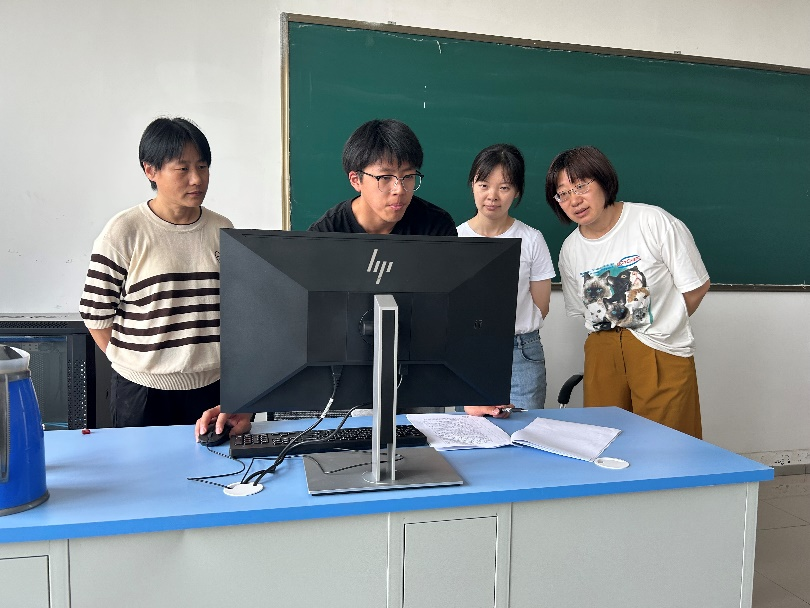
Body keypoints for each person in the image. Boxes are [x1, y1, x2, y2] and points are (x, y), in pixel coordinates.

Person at [196, 118, 456, 439]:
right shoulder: (326, 236)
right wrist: (247, 402)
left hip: (421, 371)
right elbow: (291, 326)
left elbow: (451, 313)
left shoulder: (436, 228)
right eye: (385, 177)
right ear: (356, 179)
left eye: (408, 176)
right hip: (354, 376)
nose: (399, 189)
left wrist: (471, 395)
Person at [545, 145, 710, 438]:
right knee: (605, 442)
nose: (574, 200)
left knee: (668, 445)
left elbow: (696, 286)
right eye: (563, 194)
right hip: (602, 351)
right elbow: (583, 311)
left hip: (659, 348)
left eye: (581, 186)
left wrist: (664, 325)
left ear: (603, 180)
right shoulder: (570, 249)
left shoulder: (653, 221)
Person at [79, 117, 234, 429]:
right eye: (183, 168)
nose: (197, 179)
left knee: (212, 461)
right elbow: (96, 314)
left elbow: (233, 309)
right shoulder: (124, 231)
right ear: (150, 170)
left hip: (212, 388)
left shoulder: (222, 229)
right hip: (141, 393)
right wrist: (134, 364)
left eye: (202, 167)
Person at [457, 144, 554, 418]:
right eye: (484, 185)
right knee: (471, 434)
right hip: (468, 351)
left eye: (504, 187)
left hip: (521, 351)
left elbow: (541, 305)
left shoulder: (532, 239)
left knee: (524, 430)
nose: (492, 196)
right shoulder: (454, 238)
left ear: (517, 191)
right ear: (472, 186)